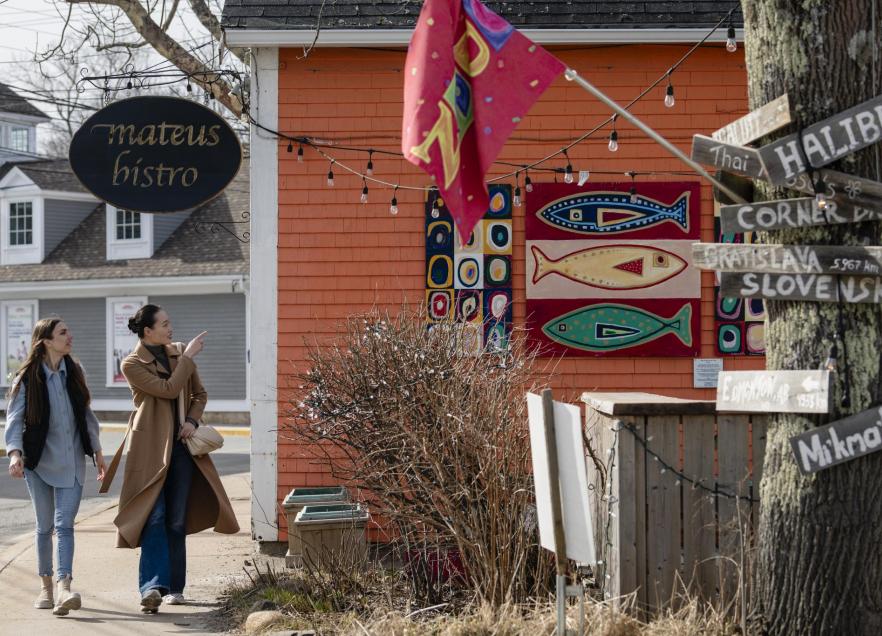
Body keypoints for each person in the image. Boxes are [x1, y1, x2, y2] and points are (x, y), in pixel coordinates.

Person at [100, 304, 238, 614]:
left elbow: (198, 393)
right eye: (164, 324)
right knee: (155, 516)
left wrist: (191, 420)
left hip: (182, 448)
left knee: (176, 519)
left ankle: (175, 587)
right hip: (148, 450)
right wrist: (188, 358)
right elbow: (167, 389)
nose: (170, 327)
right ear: (147, 331)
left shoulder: (177, 352)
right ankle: (151, 587)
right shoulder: (132, 363)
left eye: (169, 322)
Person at [4, 318, 106, 616]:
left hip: (72, 462)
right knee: (44, 527)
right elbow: (14, 418)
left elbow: (86, 413)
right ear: (46, 340)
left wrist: (97, 449)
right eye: (63, 333)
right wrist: (14, 453)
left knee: (64, 526)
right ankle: (45, 586)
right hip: (38, 463)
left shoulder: (74, 372)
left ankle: (64, 587)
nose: (69, 336)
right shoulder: (27, 378)